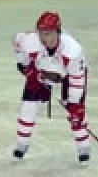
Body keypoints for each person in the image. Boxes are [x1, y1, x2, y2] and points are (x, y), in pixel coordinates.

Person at [11, 11, 91, 164]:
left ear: (58, 32)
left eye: (47, 33)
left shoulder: (73, 51)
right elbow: (17, 41)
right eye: (40, 33)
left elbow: (77, 80)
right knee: (28, 107)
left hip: (67, 74)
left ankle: (83, 147)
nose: (43, 37)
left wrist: (74, 104)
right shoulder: (31, 41)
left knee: (76, 114)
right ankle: (21, 145)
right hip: (41, 69)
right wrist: (24, 64)